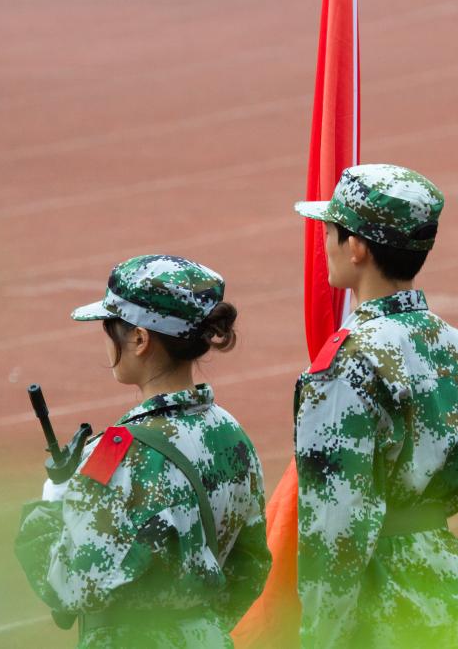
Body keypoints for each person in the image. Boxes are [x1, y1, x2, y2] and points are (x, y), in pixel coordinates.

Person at [15, 254, 271, 649]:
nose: (106, 340)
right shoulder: (231, 435)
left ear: (139, 339)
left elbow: (68, 586)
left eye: (110, 327)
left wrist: (52, 504)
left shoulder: (115, 454)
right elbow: (250, 566)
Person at [292, 164, 458, 649]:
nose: (324, 242)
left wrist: (320, 637)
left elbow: (336, 525)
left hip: (382, 607)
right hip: (453, 585)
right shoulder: (451, 341)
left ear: (358, 247)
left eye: (330, 230)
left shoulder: (348, 361)